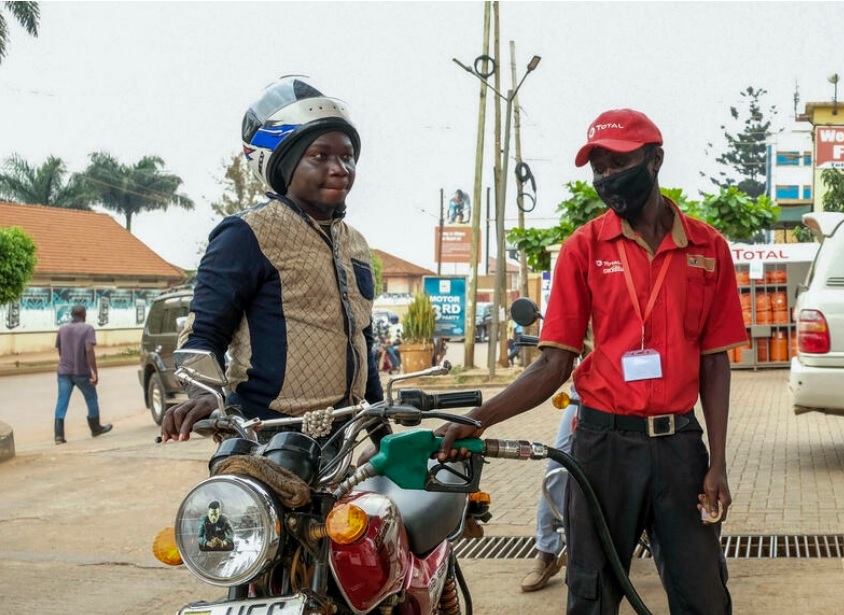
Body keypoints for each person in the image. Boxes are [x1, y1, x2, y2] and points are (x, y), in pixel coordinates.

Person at [439, 108, 746, 614]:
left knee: (705, 597)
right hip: (603, 448)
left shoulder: (708, 248)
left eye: (617, 163)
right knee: (593, 596)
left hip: (679, 449)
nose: (606, 177)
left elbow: (715, 363)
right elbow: (553, 364)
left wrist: (718, 464)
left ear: (655, 160)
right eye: (597, 168)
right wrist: (479, 418)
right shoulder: (583, 248)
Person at [160, 76, 384, 446]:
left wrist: (380, 431)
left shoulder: (356, 245)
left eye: (347, 156)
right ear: (283, 164)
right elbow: (202, 335)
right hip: (266, 438)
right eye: (320, 156)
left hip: (344, 438)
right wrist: (203, 395)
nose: (341, 168)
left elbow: (362, 341)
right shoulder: (245, 234)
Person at [521, 392, 577, 592]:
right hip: (591, 391)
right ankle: (547, 552)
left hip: (649, 391)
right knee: (559, 466)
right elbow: (550, 365)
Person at [53, 304, 113, 444]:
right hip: (82, 372)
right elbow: (89, 350)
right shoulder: (88, 329)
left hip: (64, 371)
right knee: (91, 398)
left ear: (72, 315)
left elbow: (60, 351)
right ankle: (95, 427)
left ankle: (58, 435)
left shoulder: (62, 329)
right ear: (84, 314)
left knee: (62, 401)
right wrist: (94, 372)